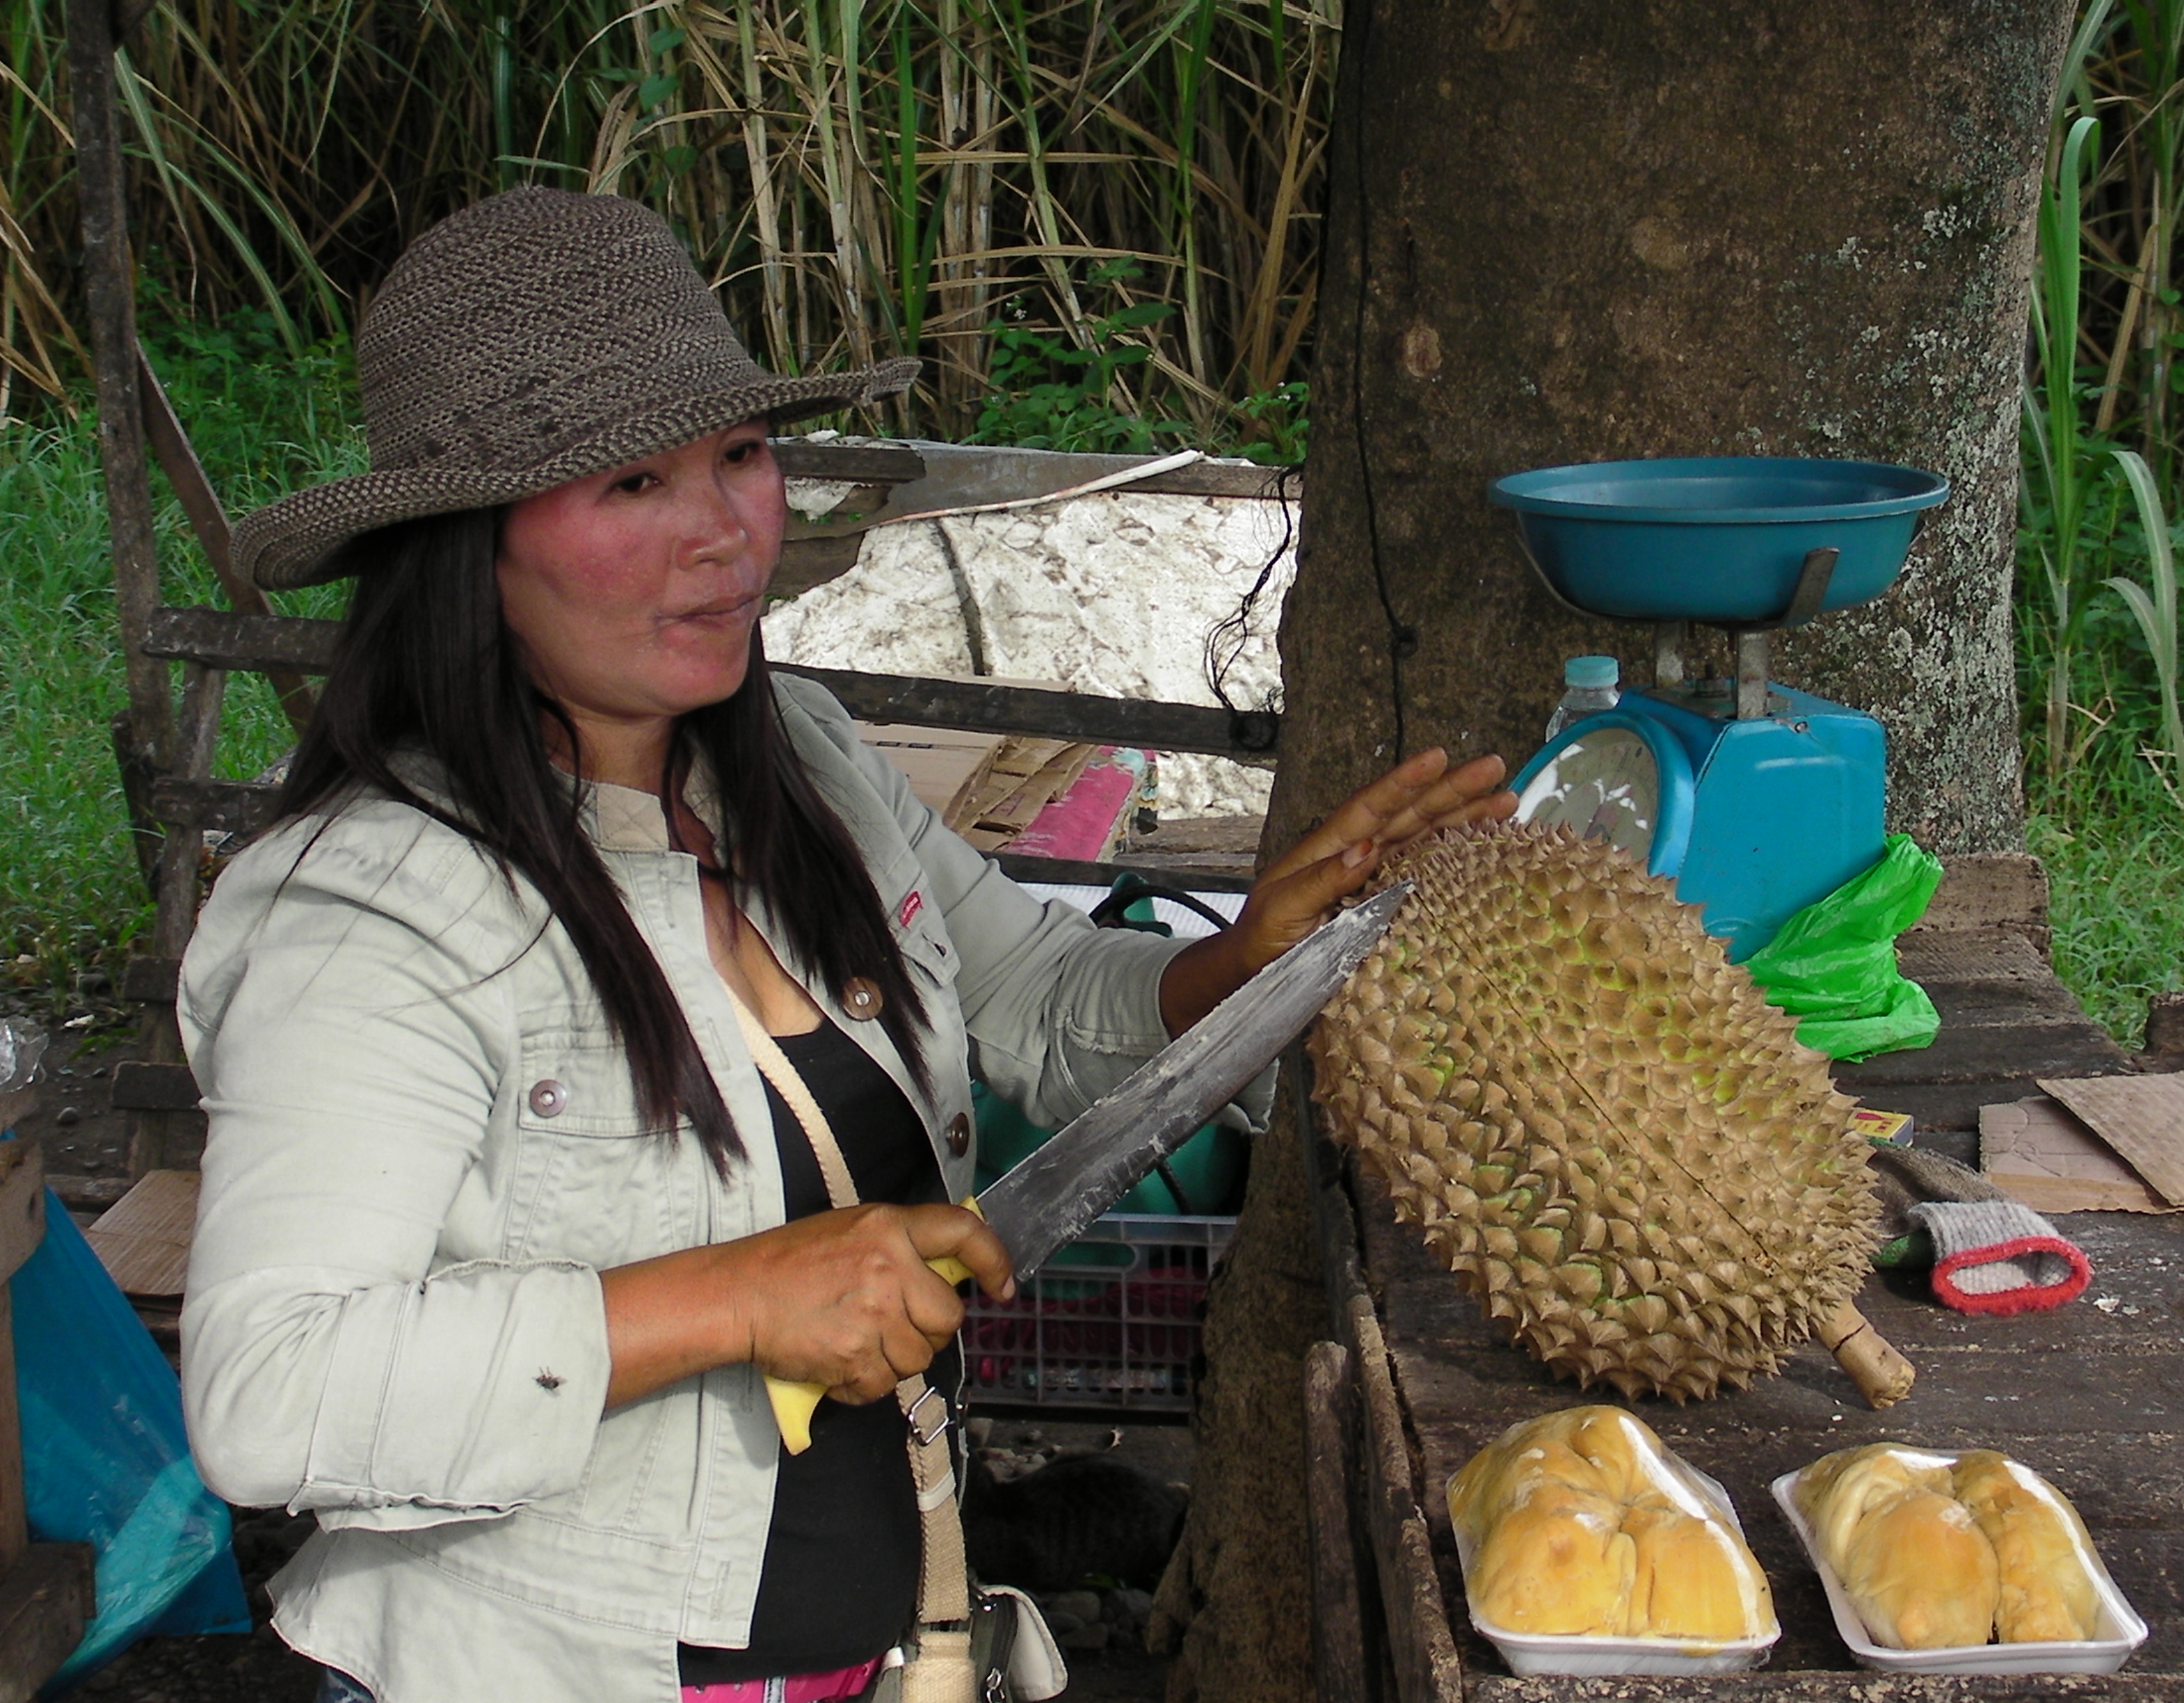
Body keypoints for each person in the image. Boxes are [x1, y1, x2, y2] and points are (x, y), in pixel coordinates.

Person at [179, 188, 1515, 1703]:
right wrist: (741, 1295)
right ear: (463, 548)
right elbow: (268, 1394)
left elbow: (1038, 1003)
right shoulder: (374, 908)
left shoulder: (797, 761)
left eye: (740, 458)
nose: (725, 532)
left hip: (877, 1640)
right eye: (633, 483)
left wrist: (1251, 957)